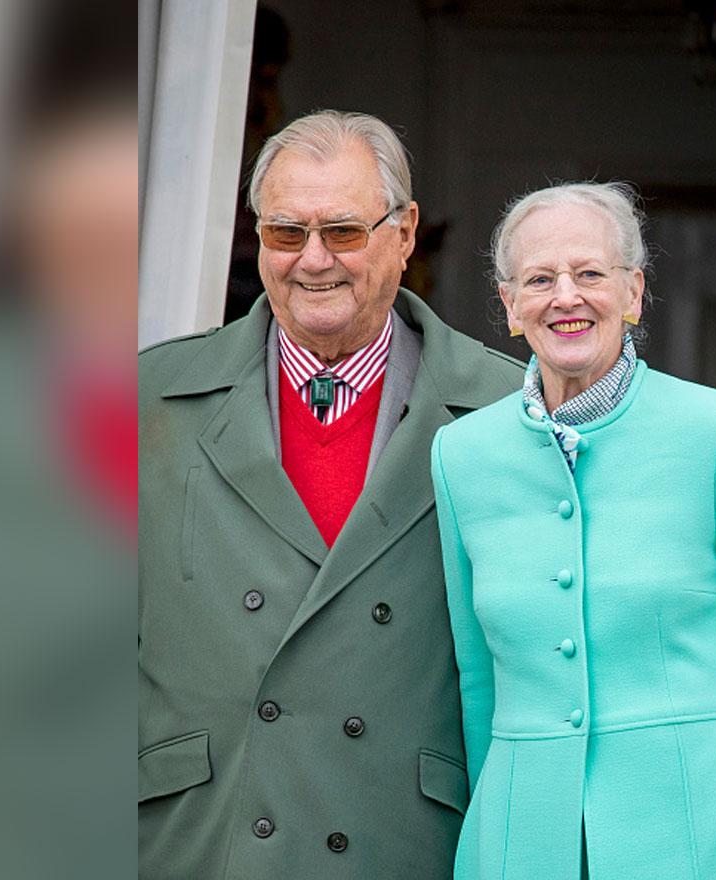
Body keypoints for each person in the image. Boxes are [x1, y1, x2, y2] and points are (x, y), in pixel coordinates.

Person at [138, 110, 523, 879]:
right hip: (200, 843)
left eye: (343, 232)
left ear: (405, 233)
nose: (313, 261)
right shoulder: (149, 395)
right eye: (285, 234)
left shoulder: (506, 409)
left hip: (402, 842)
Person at [430, 182, 716, 879]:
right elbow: (477, 676)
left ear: (633, 293)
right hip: (523, 839)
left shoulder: (714, 432)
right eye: (539, 279)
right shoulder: (461, 455)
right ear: (508, 306)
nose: (566, 297)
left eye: (590, 274)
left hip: (705, 829)